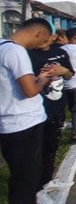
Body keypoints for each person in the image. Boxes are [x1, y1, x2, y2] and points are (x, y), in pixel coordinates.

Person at [0, 18, 55, 204]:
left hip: (9, 123)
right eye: (44, 40)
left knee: (20, 176)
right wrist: (43, 80)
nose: (42, 45)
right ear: (38, 33)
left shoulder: (2, 46)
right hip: (24, 123)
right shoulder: (16, 51)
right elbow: (30, 90)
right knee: (26, 180)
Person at [27, 29, 75, 188]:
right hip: (33, 111)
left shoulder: (60, 52)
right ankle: (33, 186)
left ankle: (46, 182)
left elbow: (70, 74)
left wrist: (63, 71)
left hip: (57, 107)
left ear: (52, 36)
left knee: (51, 147)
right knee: (33, 151)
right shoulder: (26, 54)